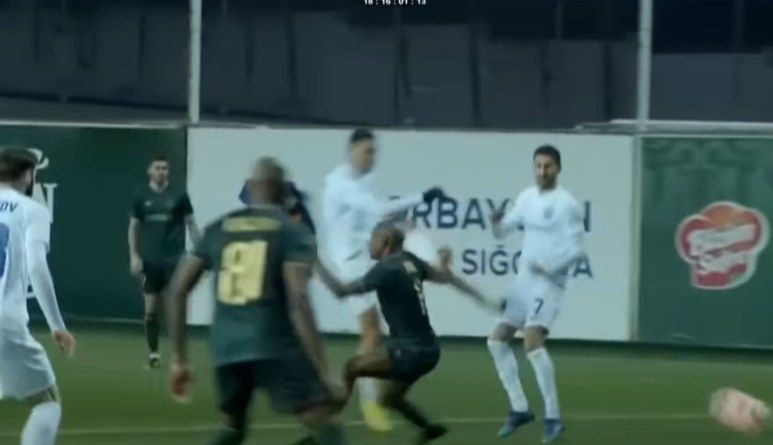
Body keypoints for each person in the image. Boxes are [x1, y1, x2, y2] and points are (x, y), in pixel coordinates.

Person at [167, 157, 348, 445]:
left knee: (233, 429)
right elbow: (299, 301)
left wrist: (179, 360)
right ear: (285, 192)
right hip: (274, 343)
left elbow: (178, 289)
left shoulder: (219, 228)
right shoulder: (292, 232)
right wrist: (323, 371)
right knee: (325, 425)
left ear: (250, 188)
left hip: (226, 346)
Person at [316, 223, 499, 444]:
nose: (369, 244)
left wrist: (314, 261)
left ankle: (325, 433)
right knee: (389, 398)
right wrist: (483, 297)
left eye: (373, 240)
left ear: (385, 243)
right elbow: (444, 276)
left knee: (351, 368)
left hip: (409, 351)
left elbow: (340, 291)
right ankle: (429, 429)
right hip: (429, 351)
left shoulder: (385, 269)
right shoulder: (410, 261)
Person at [322, 128, 445, 431]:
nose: (372, 158)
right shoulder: (340, 184)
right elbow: (378, 209)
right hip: (349, 262)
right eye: (367, 151)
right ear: (351, 150)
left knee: (382, 326)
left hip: (367, 259)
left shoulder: (362, 182)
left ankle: (380, 394)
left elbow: (377, 215)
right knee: (372, 329)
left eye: (375, 152)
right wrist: (422, 197)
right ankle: (369, 402)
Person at [487, 144, 586, 444]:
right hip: (524, 282)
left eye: (548, 166)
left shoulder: (568, 205)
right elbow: (502, 234)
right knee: (496, 341)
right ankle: (519, 408)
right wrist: (495, 223)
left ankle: (553, 417)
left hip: (549, 282)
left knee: (532, 343)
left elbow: (577, 251)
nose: (542, 171)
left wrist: (550, 267)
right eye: (538, 166)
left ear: (558, 169)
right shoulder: (526, 197)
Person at [0, 148, 76, 445]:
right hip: (4, 321)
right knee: (47, 401)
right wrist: (57, 326)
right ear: (28, 175)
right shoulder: (32, 210)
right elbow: (36, 267)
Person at [127, 155, 201, 369]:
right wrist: (134, 256)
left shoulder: (180, 196)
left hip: (174, 261)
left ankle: (178, 357)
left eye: (165, 168)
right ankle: (153, 355)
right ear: (150, 171)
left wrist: (201, 252)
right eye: (158, 168)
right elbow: (133, 227)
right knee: (150, 312)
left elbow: (191, 225)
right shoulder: (141, 196)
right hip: (150, 262)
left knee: (174, 311)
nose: (161, 171)